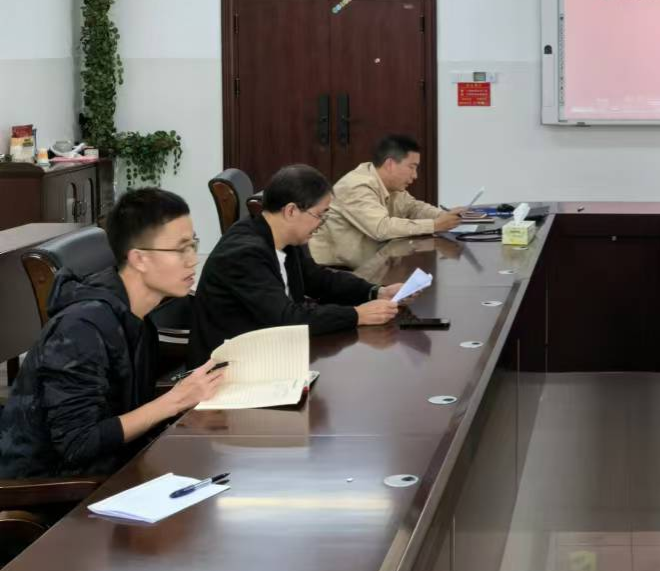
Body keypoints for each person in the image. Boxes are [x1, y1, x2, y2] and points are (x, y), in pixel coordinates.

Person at [0, 189, 225, 478]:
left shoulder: (136, 316)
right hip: (53, 489)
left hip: (116, 467)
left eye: (193, 245)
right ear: (139, 258)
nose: (193, 260)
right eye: (181, 249)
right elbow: (77, 444)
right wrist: (175, 401)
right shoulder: (81, 329)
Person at [190, 164, 404, 365]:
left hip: (269, 352)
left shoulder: (285, 237)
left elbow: (317, 280)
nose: (321, 224)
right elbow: (286, 319)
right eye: (319, 215)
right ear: (291, 211)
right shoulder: (244, 253)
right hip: (231, 366)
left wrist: (376, 292)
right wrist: (356, 315)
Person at [309, 134, 462, 268]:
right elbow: (381, 228)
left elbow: (415, 207)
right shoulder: (356, 185)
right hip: (334, 272)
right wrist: (435, 225)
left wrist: (445, 216)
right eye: (412, 167)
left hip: (370, 267)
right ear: (390, 164)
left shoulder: (392, 187)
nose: (415, 175)